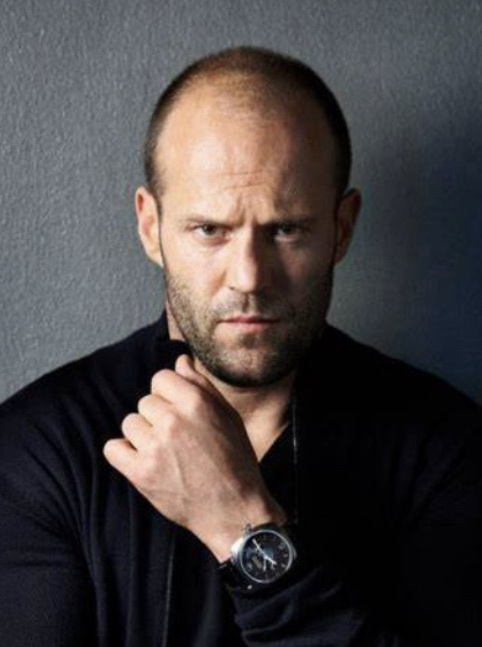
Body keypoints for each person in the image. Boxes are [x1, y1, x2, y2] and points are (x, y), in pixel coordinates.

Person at [0, 46, 481, 647]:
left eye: (287, 229)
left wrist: (239, 525)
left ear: (342, 229)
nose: (250, 276)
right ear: (150, 227)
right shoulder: (39, 449)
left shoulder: (446, 451)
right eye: (210, 230)